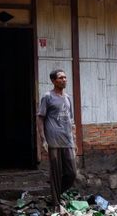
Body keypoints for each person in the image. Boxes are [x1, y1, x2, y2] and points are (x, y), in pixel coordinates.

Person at [37, 69, 77, 207]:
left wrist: (74, 140)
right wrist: (43, 139)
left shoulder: (68, 98)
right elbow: (40, 118)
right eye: (61, 78)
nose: (64, 80)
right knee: (56, 173)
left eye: (65, 77)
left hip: (67, 140)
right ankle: (55, 203)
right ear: (53, 81)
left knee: (72, 173)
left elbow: (71, 121)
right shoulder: (47, 97)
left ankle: (55, 195)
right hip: (53, 140)